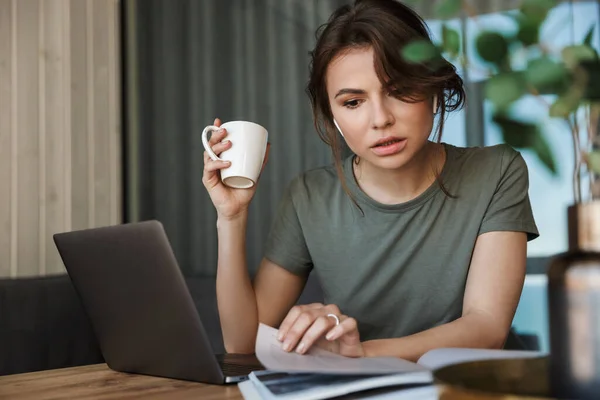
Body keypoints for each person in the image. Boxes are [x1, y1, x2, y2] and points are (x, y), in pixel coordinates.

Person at [202, 0, 539, 362]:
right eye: (353, 102)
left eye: (398, 90)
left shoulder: (497, 171)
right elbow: (240, 344)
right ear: (331, 114)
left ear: (432, 88)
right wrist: (231, 217)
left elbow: (487, 328)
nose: (380, 119)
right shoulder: (309, 196)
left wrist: (357, 353)